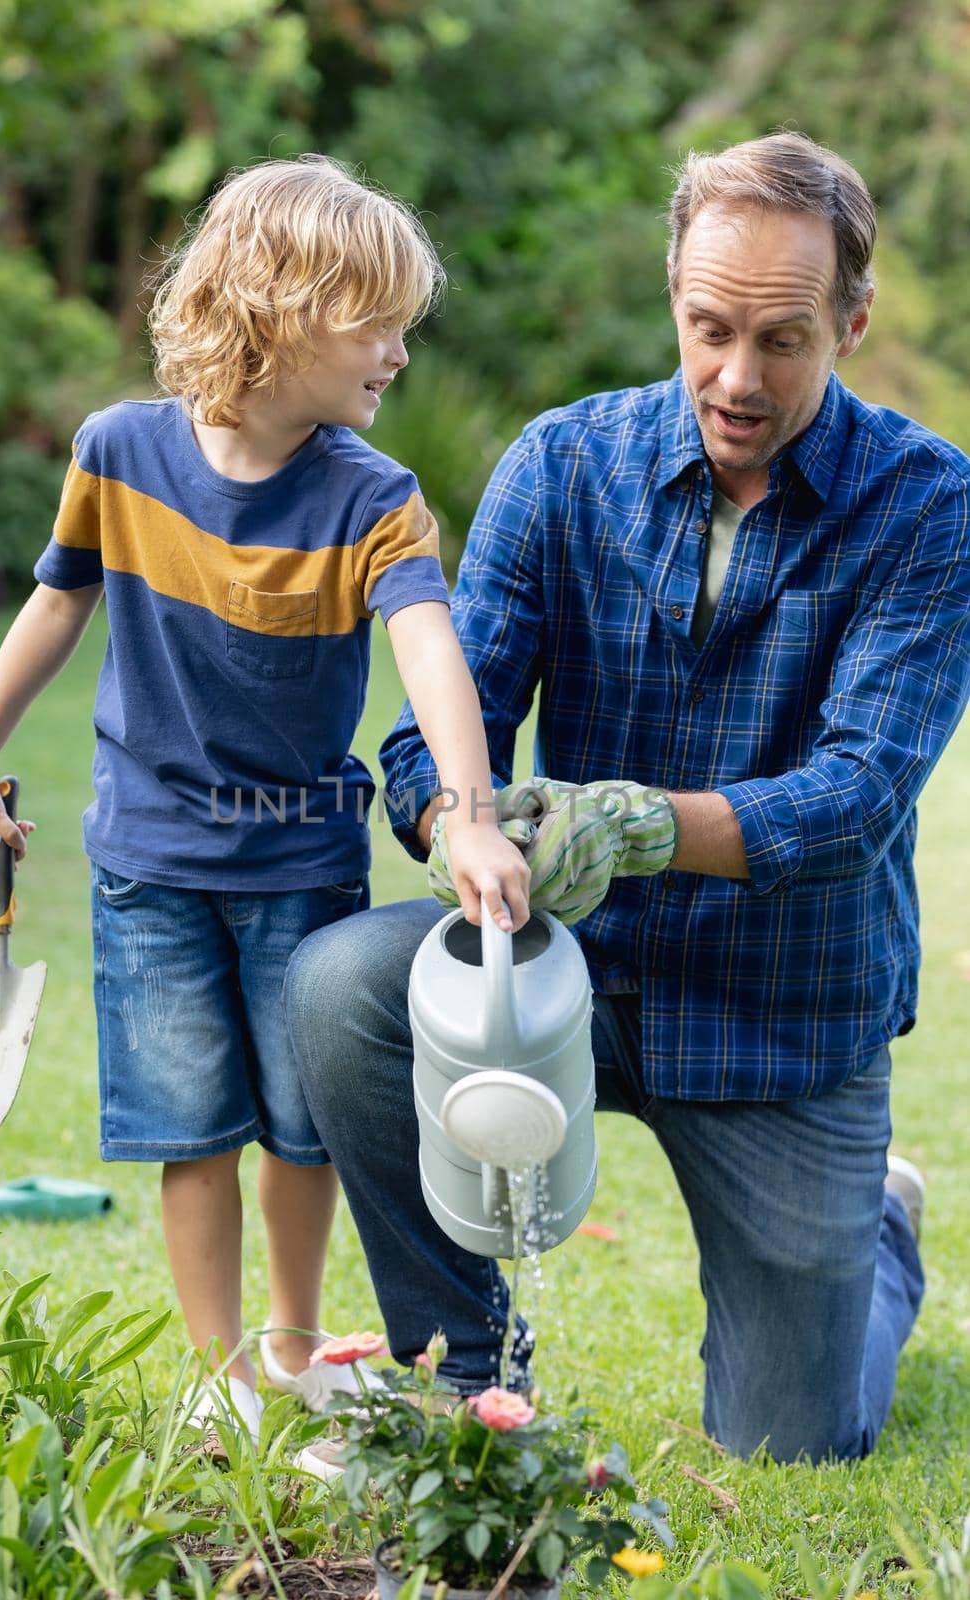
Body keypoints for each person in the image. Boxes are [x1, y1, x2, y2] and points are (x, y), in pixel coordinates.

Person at [285, 132, 970, 1464]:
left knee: (795, 1440)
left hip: (787, 1012)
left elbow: (859, 798)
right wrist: (463, 823)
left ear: (854, 318)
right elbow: (439, 736)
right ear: (672, 293)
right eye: (710, 328)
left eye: (784, 340)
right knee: (343, 988)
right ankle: (462, 1376)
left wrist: (637, 823)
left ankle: (877, 1234)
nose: (735, 376)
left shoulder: (931, 505)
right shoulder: (564, 467)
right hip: (558, 978)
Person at [0, 156, 530, 1446]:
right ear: (277, 309)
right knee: (189, 1124)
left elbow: (429, 646)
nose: (395, 352)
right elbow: (60, 599)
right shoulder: (120, 452)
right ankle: (216, 1372)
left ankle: (288, 1340)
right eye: (373, 323)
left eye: (403, 325)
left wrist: (472, 811)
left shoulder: (373, 499)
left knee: (302, 1126)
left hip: (301, 865)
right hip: (148, 862)